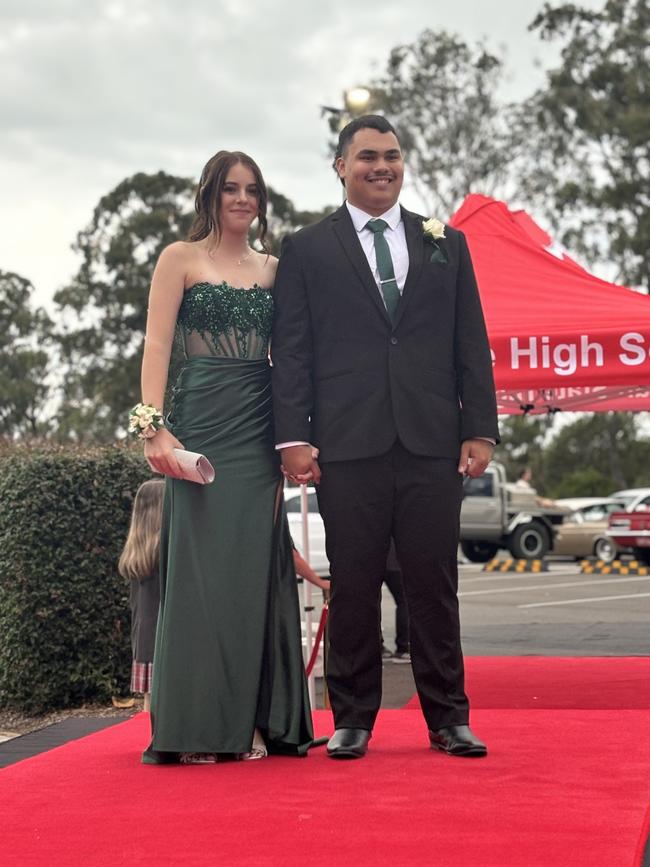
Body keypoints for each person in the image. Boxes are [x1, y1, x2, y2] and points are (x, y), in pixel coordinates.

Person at [272, 115, 499, 760]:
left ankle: (449, 717)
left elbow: (469, 342)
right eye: (367, 156)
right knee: (354, 583)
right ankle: (353, 718)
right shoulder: (308, 247)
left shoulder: (445, 243)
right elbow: (292, 350)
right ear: (340, 166)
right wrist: (294, 436)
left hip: (431, 440)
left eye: (393, 156)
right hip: (347, 442)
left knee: (434, 585)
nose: (382, 166)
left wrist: (479, 426)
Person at [135, 149, 313, 764]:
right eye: (232, 189)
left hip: (257, 431)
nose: (243, 199)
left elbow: (290, 358)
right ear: (210, 194)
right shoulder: (178, 259)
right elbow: (158, 345)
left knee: (250, 575)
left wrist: (298, 435)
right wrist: (154, 429)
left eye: (253, 190)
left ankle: (253, 721)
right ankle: (197, 724)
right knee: (197, 577)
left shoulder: (274, 269)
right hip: (200, 427)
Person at [118, 479, 164, 713]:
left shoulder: (135, 551)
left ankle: (147, 743)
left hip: (143, 636)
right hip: (162, 636)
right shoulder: (163, 549)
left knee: (149, 702)